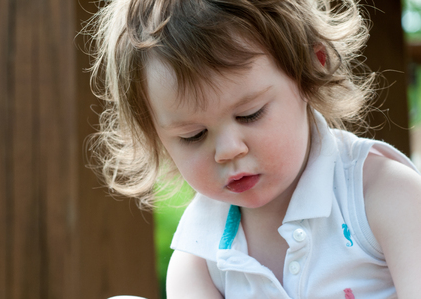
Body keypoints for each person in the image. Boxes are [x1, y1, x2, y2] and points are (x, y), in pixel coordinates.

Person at [86, 0, 421, 298]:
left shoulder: (382, 195)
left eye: (250, 114)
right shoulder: (200, 256)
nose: (228, 150)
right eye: (193, 135)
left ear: (311, 67)